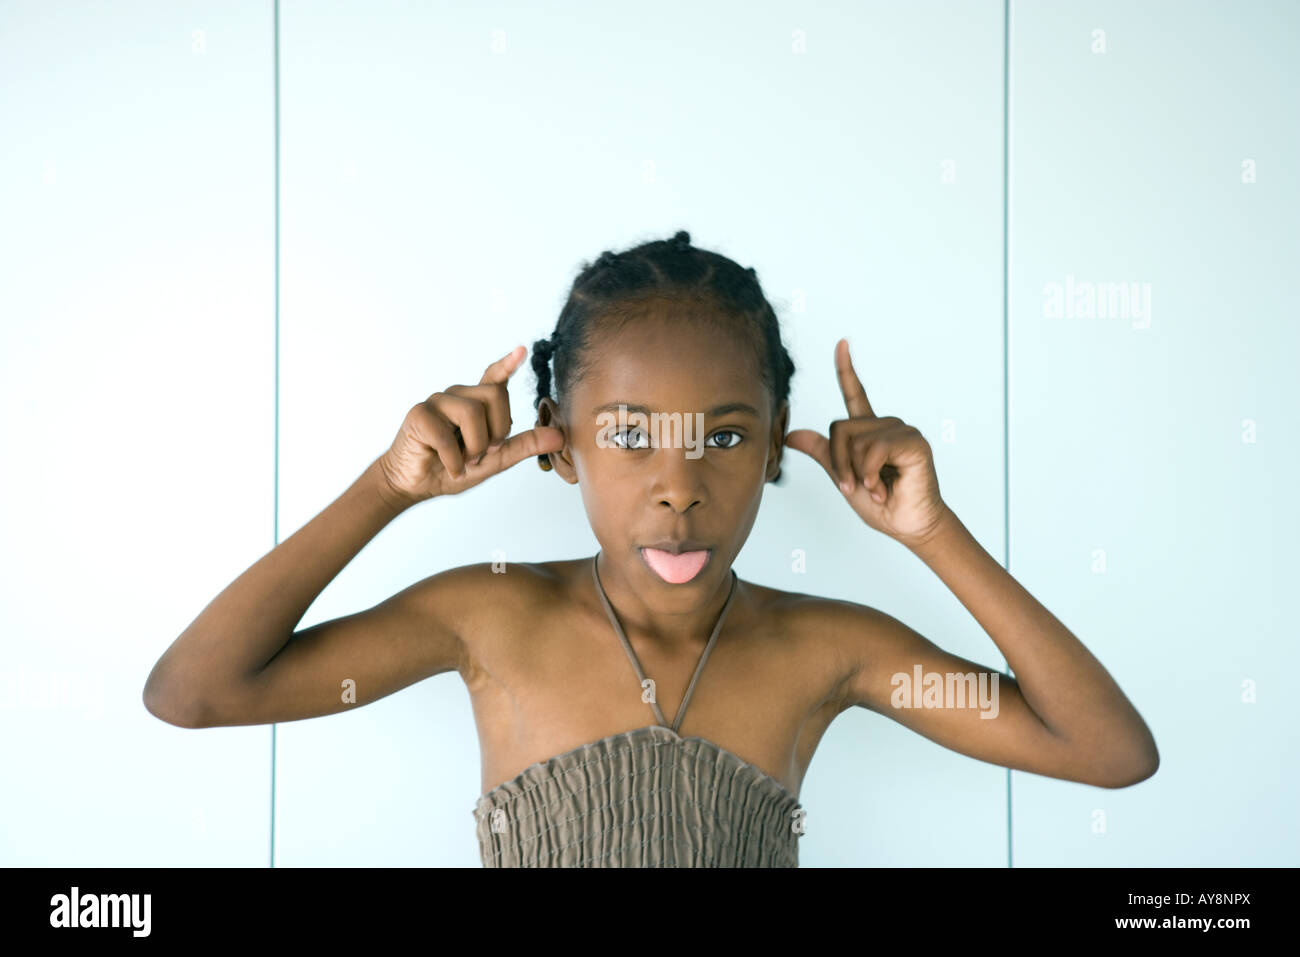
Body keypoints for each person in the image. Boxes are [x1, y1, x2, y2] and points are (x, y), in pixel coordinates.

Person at [142, 230, 1159, 867]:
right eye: (628, 435)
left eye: (724, 435)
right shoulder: (490, 618)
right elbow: (195, 693)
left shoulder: (829, 648)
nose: (679, 484)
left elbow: (1107, 751)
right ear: (557, 445)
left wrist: (931, 532)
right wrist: (386, 489)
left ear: (772, 449)